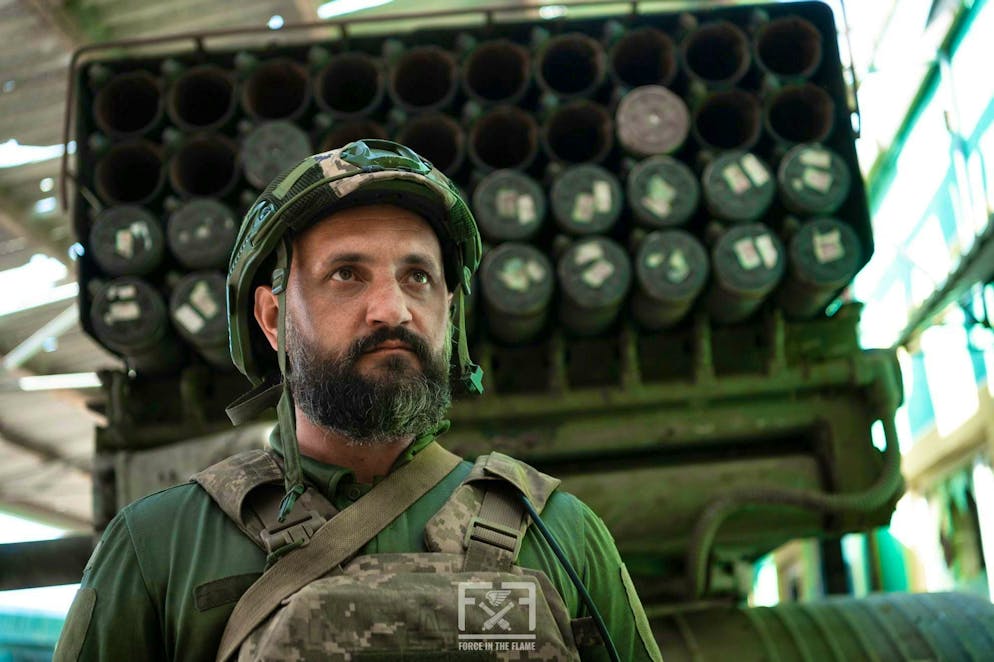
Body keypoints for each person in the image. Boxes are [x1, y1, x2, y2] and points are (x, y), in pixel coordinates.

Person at [55, 140, 662, 661]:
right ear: (272, 318)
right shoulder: (162, 546)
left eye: (418, 277)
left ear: (449, 312)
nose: (393, 309)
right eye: (347, 274)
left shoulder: (560, 533)